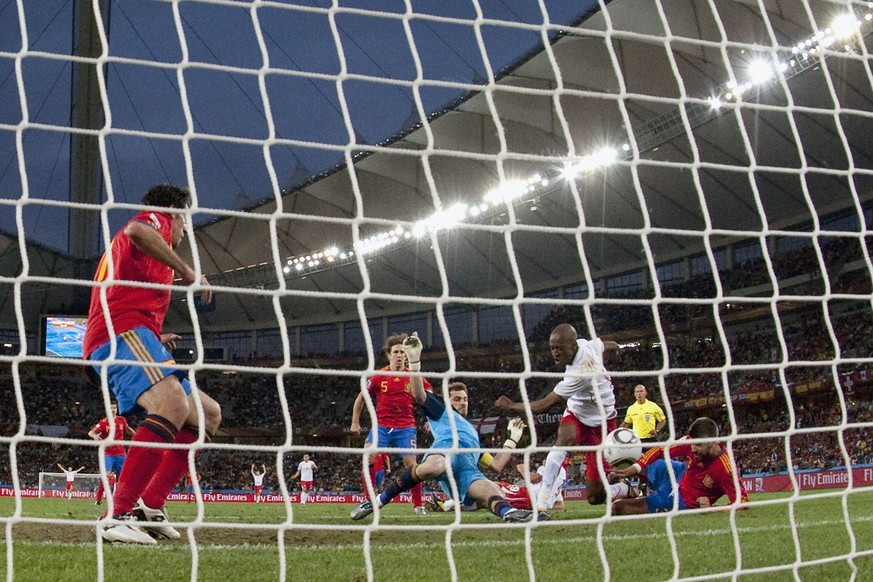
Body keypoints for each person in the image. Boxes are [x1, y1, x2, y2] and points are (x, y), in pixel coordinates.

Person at [83, 184, 221, 545]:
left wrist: (156, 339)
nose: (184, 230)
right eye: (185, 221)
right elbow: (136, 231)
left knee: (207, 414)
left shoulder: (153, 261)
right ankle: (116, 516)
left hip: (137, 334)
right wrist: (189, 272)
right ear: (176, 213)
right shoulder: (156, 220)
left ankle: (149, 507)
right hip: (118, 333)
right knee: (173, 404)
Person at [350, 333, 540, 523]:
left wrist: (512, 439)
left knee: (492, 490)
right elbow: (419, 394)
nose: (462, 402)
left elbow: (497, 465)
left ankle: (509, 513)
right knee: (433, 466)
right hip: (443, 454)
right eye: (457, 399)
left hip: (467, 471)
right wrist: (415, 362)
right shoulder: (442, 410)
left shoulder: (471, 433)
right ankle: (377, 500)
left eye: (465, 399)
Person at [495, 323, 633, 512]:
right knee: (562, 441)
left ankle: (623, 489)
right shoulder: (587, 344)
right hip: (577, 413)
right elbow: (612, 346)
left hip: (602, 423)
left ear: (573, 346)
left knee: (594, 497)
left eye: (560, 348)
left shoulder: (580, 372)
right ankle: (542, 504)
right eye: (552, 348)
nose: (555, 353)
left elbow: (543, 405)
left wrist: (511, 406)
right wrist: (615, 356)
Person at [350, 333, 433, 515]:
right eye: (395, 352)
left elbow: (430, 399)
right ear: (389, 355)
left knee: (412, 464)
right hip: (382, 426)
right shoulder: (379, 375)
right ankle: (370, 499)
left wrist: (429, 420)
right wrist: (355, 421)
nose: (399, 355)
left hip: (405, 427)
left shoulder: (414, 376)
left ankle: (418, 505)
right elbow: (361, 398)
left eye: (402, 352)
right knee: (368, 457)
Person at [612, 417, 749, 515]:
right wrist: (636, 467)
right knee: (637, 458)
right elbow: (661, 449)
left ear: (713, 442)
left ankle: (623, 490)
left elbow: (742, 502)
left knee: (618, 508)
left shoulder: (726, 469)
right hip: (676, 471)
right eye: (693, 444)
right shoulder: (689, 441)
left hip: (681, 498)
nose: (693, 449)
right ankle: (618, 483)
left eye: (698, 445)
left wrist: (713, 509)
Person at [89, 403, 135, 506]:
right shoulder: (103, 423)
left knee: (123, 476)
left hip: (120, 453)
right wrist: (94, 436)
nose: (113, 409)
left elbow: (128, 429)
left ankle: (120, 499)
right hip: (108, 454)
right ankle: (99, 498)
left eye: (114, 408)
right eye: (111, 408)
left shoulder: (121, 420)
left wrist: (136, 435)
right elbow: (91, 433)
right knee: (106, 475)